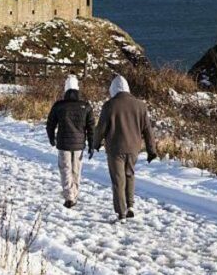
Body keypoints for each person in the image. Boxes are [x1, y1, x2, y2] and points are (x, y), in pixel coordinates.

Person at [94, 75, 158, 222]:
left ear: (113, 89)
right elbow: (147, 130)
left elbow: (100, 129)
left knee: (118, 180)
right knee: (130, 175)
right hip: (133, 148)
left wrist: (95, 144)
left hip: (115, 149)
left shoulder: (109, 105)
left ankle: (121, 212)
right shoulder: (140, 106)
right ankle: (130, 206)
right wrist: (151, 150)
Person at [46, 74, 95, 209]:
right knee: (76, 170)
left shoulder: (59, 106)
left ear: (65, 89)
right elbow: (91, 127)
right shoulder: (85, 106)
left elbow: (50, 124)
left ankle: (69, 196)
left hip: (63, 143)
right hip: (79, 144)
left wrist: (51, 137)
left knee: (65, 169)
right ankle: (75, 194)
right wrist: (91, 144)